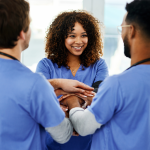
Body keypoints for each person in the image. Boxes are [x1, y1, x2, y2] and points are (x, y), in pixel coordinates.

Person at [0, 1, 94, 150]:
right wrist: (72, 111)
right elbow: (63, 134)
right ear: (22, 34)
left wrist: (55, 86)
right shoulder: (34, 84)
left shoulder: (36, 85)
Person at [64, 0, 150, 150]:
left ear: (132, 31)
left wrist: (72, 102)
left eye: (122, 28)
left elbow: (84, 126)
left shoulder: (118, 84)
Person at [36, 11, 108, 150]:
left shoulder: (99, 65)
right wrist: (60, 83)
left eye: (84, 35)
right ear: (61, 38)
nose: (79, 41)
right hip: (52, 142)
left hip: (88, 142)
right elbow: (38, 93)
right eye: (72, 36)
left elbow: (100, 98)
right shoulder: (46, 65)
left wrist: (69, 103)